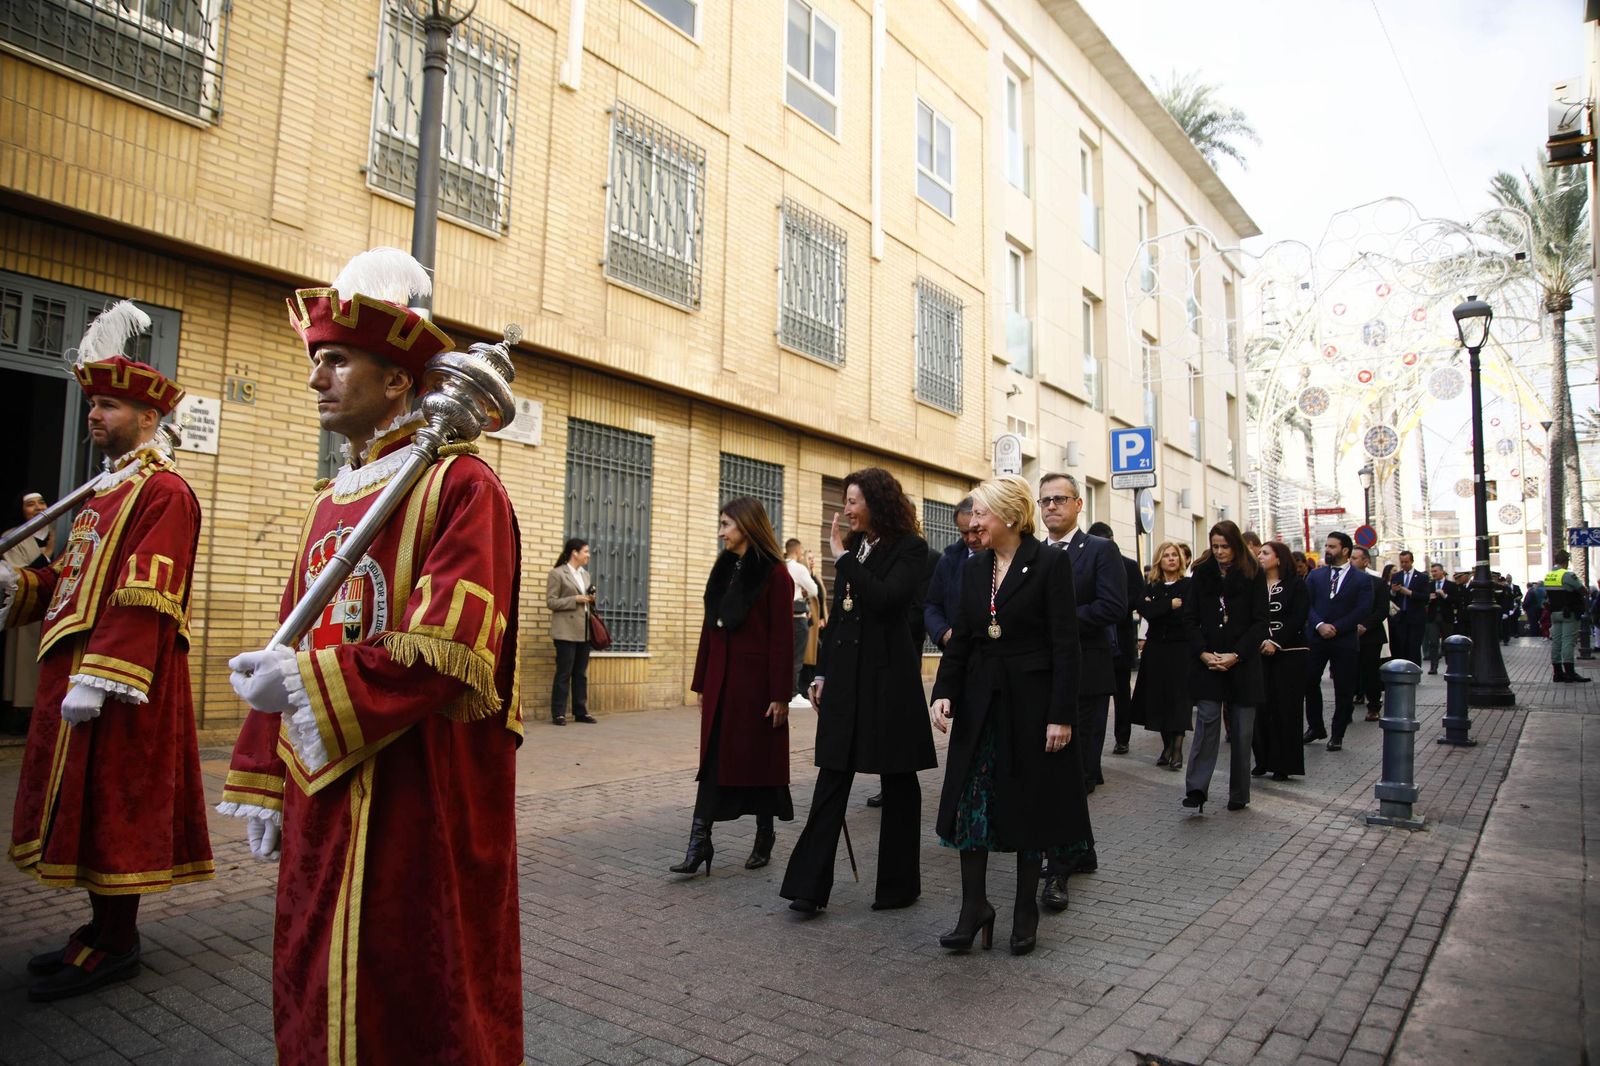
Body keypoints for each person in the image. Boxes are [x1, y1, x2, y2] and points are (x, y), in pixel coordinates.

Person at [221, 248, 523, 1063]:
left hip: (413, 792)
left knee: (408, 982)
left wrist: (307, 684)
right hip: (323, 781)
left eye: (338, 360)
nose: (318, 378)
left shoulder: (461, 487)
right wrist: (261, 776)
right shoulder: (329, 502)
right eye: (316, 361)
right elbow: (292, 638)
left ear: (398, 380)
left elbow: (450, 648)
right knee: (313, 979)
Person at [2, 302, 212, 1001]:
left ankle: (116, 940)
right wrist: (23, 583)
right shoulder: (100, 495)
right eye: (92, 404)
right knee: (80, 809)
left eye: (111, 406)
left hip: (124, 682)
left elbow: (148, 589)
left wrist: (102, 676)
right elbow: (71, 581)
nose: (94, 415)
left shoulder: (165, 491)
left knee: (115, 807)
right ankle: (95, 931)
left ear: (149, 418)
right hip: (76, 672)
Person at [928, 474, 1084, 955]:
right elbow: (964, 638)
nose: (974, 522)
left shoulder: (1049, 563)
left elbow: (1065, 644)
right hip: (981, 703)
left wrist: (1061, 714)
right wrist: (943, 692)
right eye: (974, 513)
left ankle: (1023, 909)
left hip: (1031, 704)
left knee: (1027, 802)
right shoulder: (974, 568)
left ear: (1011, 517)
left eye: (982, 513)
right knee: (971, 805)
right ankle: (974, 907)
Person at [781, 468, 936, 914]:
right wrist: (822, 674)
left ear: (877, 502)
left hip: (889, 684)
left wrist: (842, 559)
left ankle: (898, 886)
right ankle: (809, 888)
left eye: (852, 501)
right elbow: (843, 622)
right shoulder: (854, 550)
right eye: (845, 501)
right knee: (832, 776)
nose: (845, 509)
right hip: (846, 683)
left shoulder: (911, 549)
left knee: (899, 781)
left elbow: (888, 599)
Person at [673, 497, 795, 875]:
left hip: (756, 687)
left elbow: (782, 639)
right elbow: (709, 629)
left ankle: (764, 834)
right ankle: (699, 842)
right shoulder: (723, 568)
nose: (721, 531)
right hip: (721, 681)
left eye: (726, 524)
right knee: (711, 762)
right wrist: (701, 682)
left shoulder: (776, 574)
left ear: (746, 525)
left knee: (759, 762)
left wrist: (780, 694)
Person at [1036, 473, 1123, 908]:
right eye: (1044, 500)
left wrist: (1059, 618)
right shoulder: (1032, 553)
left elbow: (1112, 606)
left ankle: (1059, 868)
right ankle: (1078, 851)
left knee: (1075, 773)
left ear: (1077, 504)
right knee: (1054, 771)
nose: (1051, 507)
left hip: (1087, 678)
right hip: (1043, 679)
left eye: (1059, 500)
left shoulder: (1100, 551)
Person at [1181, 521, 1268, 813]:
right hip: (1208, 661)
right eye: (1215, 546)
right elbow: (1190, 619)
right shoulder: (1201, 573)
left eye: (1225, 547)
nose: (1219, 552)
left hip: (1242, 663)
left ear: (1236, 546)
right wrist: (1203, 653)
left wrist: (1237, 654)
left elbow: (1260, 623)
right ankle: (1196, 788)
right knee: (1206, 722)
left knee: (1242, 731)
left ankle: (1239, 792)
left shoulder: (1253, 573)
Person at [1303, 532, 1374, 752]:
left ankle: (1337, 734)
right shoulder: (1316, 576)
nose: (1327, 549)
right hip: (1317, 637)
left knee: (1344, 688)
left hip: (1344, 640)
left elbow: (1363, 609)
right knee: (1308, 681)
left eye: (1332, 546)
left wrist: (1337, 628)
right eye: (1326, 545)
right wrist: (1319, 625)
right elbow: (1306, 604)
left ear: (1345, 550)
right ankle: (1316, 727)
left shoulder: (1362, 579)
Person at [1130, 541, 1193, 771]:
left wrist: (1161, 608)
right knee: (1160, 699)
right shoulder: (1151, 587)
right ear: (1160, 560)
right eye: (1166, 555)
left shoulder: (1189, 585)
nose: (1171, 559)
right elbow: (1146, 610)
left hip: (1181, 649)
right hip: (1156, 650)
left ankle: (1176, 750)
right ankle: (1167, 747)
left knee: (1179, 699)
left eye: (1174, 555)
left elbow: (1187, 614)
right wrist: (1170, 605)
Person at [1087, 521, 1144, 756]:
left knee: (1121, 693)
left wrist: (1109, 605)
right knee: (1095, 700)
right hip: (1096, 641)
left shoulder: (1129, 566)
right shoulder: (1086, 561)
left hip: (1119, 640)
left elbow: (1136, 598)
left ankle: (1123, 738)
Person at [1252, 541, 1307, 781]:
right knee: (1260, 707)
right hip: (1258, 652)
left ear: (1279, 558)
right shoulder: (1254, 585)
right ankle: (1262, 760)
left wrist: (1276, 641)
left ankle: (1284, 764)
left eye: (1265, 553)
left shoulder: (1296, 585)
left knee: (1286, 708)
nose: (1260, 556)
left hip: (1291, 652)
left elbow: (1298, 617)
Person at [3, 491, 53, 736]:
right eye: (30, 504)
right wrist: (46, 557)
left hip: (50, 612)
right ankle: (20, 714)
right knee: (23, 665)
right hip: (27, 605)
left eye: (41, 503)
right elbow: (13, 574)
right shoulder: (12, 537)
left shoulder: (56, 533)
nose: (37, 508)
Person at [548, 537, 598, 724]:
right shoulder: (557, 574)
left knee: (580, 673)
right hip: (565, 632)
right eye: (585, 551)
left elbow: (585, 601)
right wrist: (575, 599)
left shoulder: (585, 575)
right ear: (574, 553)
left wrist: (590, 598)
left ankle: (580, 711)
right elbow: (551, 602)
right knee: (564, 673)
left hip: (583, 631)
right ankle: (559, 713)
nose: (588, 555)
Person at [924, 498, 978, 651]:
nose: (971, 539)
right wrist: (943, 633)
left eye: (976, 530)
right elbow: (932, 606)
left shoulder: (1003, 558)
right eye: (964, 533)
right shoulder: (949, 560)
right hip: (958, 654)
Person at [1351, 546, 1389, 722]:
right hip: (1347, 633)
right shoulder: (1342, 582)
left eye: (1355, 558)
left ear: (1365, 561)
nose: (1351, 561)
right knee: (1347, 671)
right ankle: (1346, 707)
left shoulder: (1378, 583)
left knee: (1370, 672)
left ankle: (1374, 706)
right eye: (1350, 558)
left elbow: (1382, 610)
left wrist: (1365, 625)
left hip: (1371, 635)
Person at [1544, 552, 1590, 683]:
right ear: (1566, 561)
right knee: (1568, 642)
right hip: (1569, 613)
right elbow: (1583, 590)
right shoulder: (1567, 575)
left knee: (1557, 642)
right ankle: (1570, 673)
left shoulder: (1549, 576)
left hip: (1554, 613)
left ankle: (1557, 673)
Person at [783, 537, 819, 698]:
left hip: (781, 617)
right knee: (796, 658)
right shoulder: (798, 568)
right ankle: (793, 693)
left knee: (783, 655)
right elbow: (814, 590)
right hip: (798, 617)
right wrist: (804, 592)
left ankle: (783, 691)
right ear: (798, 551)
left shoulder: (779, 566)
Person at [1387, 550, 1426, 666]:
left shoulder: (1422, 577)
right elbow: (1391, 598)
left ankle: (1414, 670)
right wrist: (1393, 591)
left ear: (1412, 561)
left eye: (1406, 562)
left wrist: (1409, 592)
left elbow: (1425, 597)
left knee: (1413, 646)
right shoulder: (1396, 576)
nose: (1404, 564)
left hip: (1415, 617)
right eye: (1402, 562)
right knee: (1400, 644)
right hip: (1400, 617)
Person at [798, 549, 828, 694]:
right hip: (811, 620)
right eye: (810, 558)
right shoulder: (804, 577)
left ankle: (814, 686)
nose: (812, 561)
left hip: (820, 622)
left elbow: (821, 599)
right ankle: (804, 688)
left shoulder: (816, 577)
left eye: (813, 558)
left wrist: (824, 618)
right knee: (808, 654)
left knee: (818, 654)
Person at [1422, 563, 1461, 673]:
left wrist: (1445, 596)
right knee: (1433, 642)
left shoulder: (1451, 585)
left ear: (1442, 572)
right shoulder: (1430, 585)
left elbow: (1457, 601)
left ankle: (1450, 666)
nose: (1433, 573)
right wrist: (1429, 598)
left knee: (1447, 642)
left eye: (1435, 571)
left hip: (1446, 617)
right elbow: (1423, 600)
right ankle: (1433, 666)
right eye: (1432, 571)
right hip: (1432, 617)